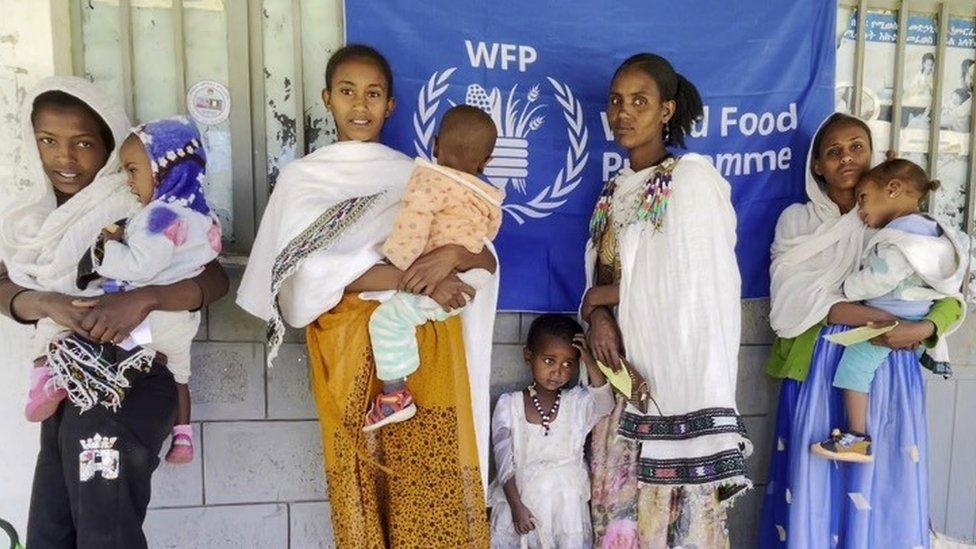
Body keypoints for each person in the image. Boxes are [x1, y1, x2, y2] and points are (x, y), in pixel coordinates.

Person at [237, 44, 498, 545]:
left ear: (391, 106)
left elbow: (482, 257)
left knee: (431, 482)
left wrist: (448, 260)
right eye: (348, 92)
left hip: (426, 354)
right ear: (326, 99)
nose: (361, 105)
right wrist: (409, 277)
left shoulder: (418, 175)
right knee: (362, 485)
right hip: (350, 350)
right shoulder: (302, 179)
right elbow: (306, 270)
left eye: (373, 94)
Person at [0, 76, 228, 548]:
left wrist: (144, 298)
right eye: (48, 141)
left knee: (106, 532)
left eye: (83, 143)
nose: (65, 158)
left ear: (106, 146)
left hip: (128, 385)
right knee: (50, 531)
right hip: (64, 390)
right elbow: (3, 286)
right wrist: (45, 302)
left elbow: (214, 279)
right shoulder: (26, 220)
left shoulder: (139, 200)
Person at [759, 112, 964, 547]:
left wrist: (924, 326)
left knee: (882, 480)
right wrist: (878, 318)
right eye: (832, 152)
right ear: (816, 165)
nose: (846, 158)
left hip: (888, 368)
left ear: (872, 154)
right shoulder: (798, 222)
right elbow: (793, 299)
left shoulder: (902, 222)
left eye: (856, 147)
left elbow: (946, 294)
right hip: (817, 368)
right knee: (815, 476)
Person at [582, 53, 750, 547]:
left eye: (639, 101)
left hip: (675, 394)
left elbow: (699, 282)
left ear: (667, 111)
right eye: (616, 102)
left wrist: (602, 298)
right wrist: (596, 314)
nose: (623, 113)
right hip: (622, 385)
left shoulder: (690, 178)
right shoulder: (614, 189)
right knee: (620, 525)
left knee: (677, 529)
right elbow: (602, 273)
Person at [813, 159, 969, 463]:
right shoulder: (935, 233)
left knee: (853, 368)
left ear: (893, 190)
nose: (861, 211)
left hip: (891, 321)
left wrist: (849, 287)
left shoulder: (899, 237)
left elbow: (880, 277)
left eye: (864, 199)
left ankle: (857, 437)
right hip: (915, 316)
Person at [364, 104, 502, 432]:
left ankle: (395, 394)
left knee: (386, 321)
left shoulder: (428, 180)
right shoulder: (488, 196)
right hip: (473, 279)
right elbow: (488, 238)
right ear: (486, 162)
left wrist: (396, 262)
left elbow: (414, 226)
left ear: (436, 144)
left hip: (444, 284)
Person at [489, 315, 612, 548]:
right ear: (528, 355)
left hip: (567, 507)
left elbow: (605, 404)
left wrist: (589, 360)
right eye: (549, 361)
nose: (557, 371)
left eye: (568, 364)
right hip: (524, 501)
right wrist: (516, 506)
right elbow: (504, 461)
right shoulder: (510, 405)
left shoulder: (576, 403)